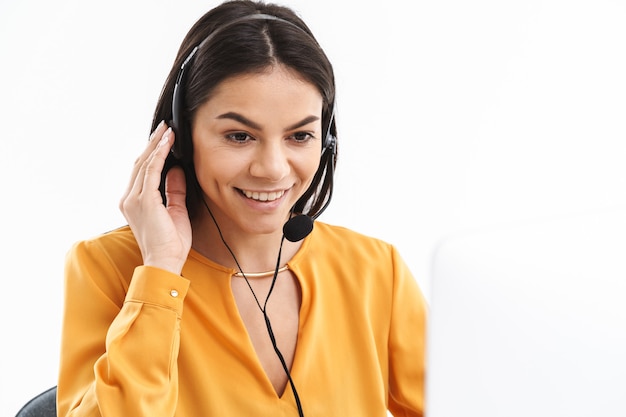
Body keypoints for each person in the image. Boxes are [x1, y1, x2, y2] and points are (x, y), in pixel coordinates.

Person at [57, 1, 428, 416]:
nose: (272, 169)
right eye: (239, 136)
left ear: (325, 142)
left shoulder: (376, 271)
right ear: (179, 136)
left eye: (300, 136)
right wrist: (160, 272)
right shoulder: (109, 269)